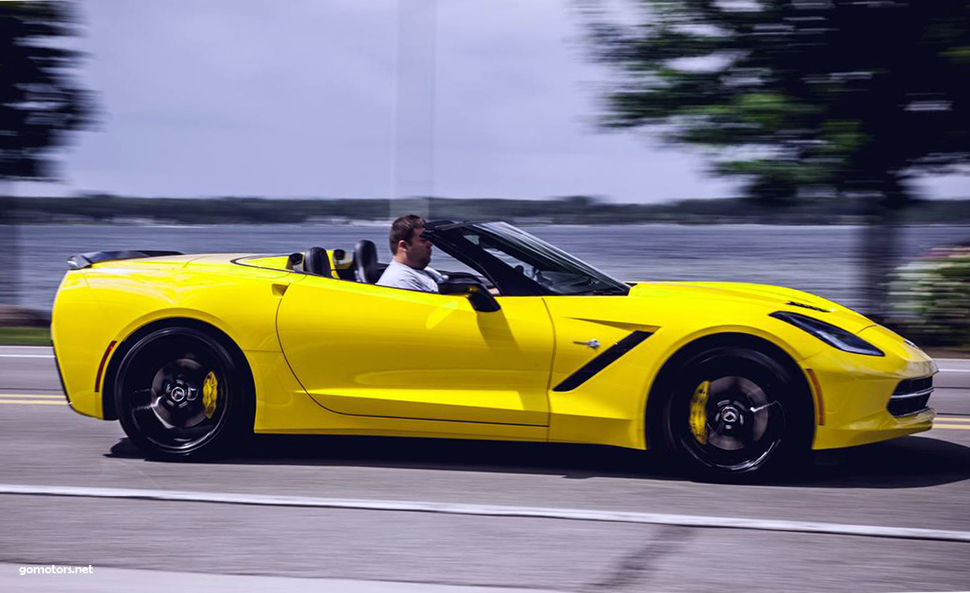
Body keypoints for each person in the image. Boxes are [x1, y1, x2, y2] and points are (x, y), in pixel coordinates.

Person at [376, 215, 445, 293]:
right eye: (423, 240)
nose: (430, 244)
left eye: (429, 239)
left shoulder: (426, 271)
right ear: (403, 246)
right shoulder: (400, 280)